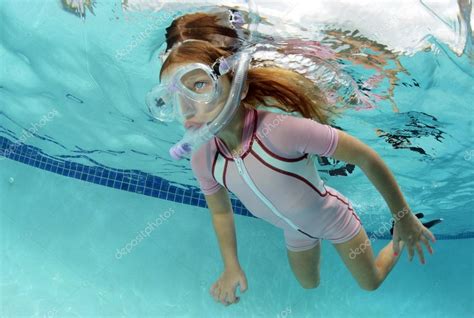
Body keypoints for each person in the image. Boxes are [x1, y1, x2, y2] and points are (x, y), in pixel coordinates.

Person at [147, 38, 443, 307]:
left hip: (333, 217)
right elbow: (221, 213)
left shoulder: (281, 131)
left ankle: (398, 237)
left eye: (198, 85)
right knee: (309, 284)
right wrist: (230, 265)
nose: (185, 108)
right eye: (171, 97)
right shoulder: (203, 159)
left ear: (239, 84)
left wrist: (401, 217)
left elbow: (366, 157)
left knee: (371, 283)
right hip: (295, 231)